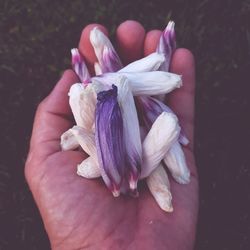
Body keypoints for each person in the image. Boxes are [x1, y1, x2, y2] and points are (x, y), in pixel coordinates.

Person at [25, 20, 198, 250]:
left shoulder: (131, 164)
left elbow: (123, 87)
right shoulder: (130, 164)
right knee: (134, 93)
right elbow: (122, 89)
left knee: (133, 91)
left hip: (127, 140)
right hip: (127, 144)